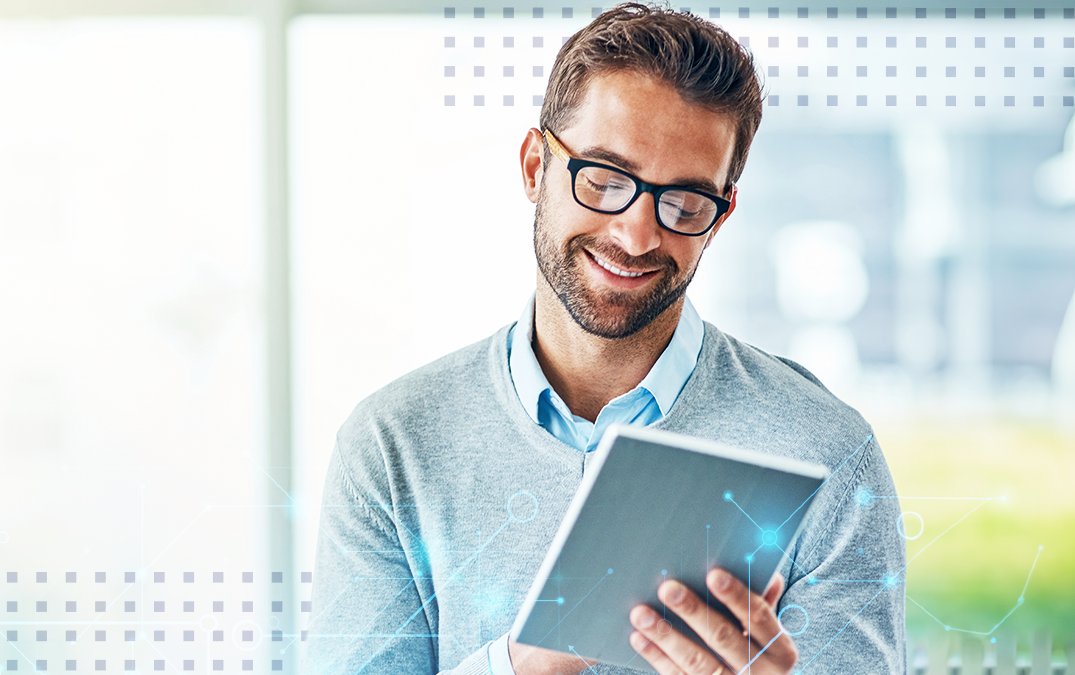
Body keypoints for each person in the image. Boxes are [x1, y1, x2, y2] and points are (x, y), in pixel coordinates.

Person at [306, 4, 906, 674]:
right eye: (604, 179)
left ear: (722, 214)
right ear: (536, 166)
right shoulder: (394, 446)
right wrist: (522, 662)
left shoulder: (826, 454)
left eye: (684, 202)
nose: (637, 235)